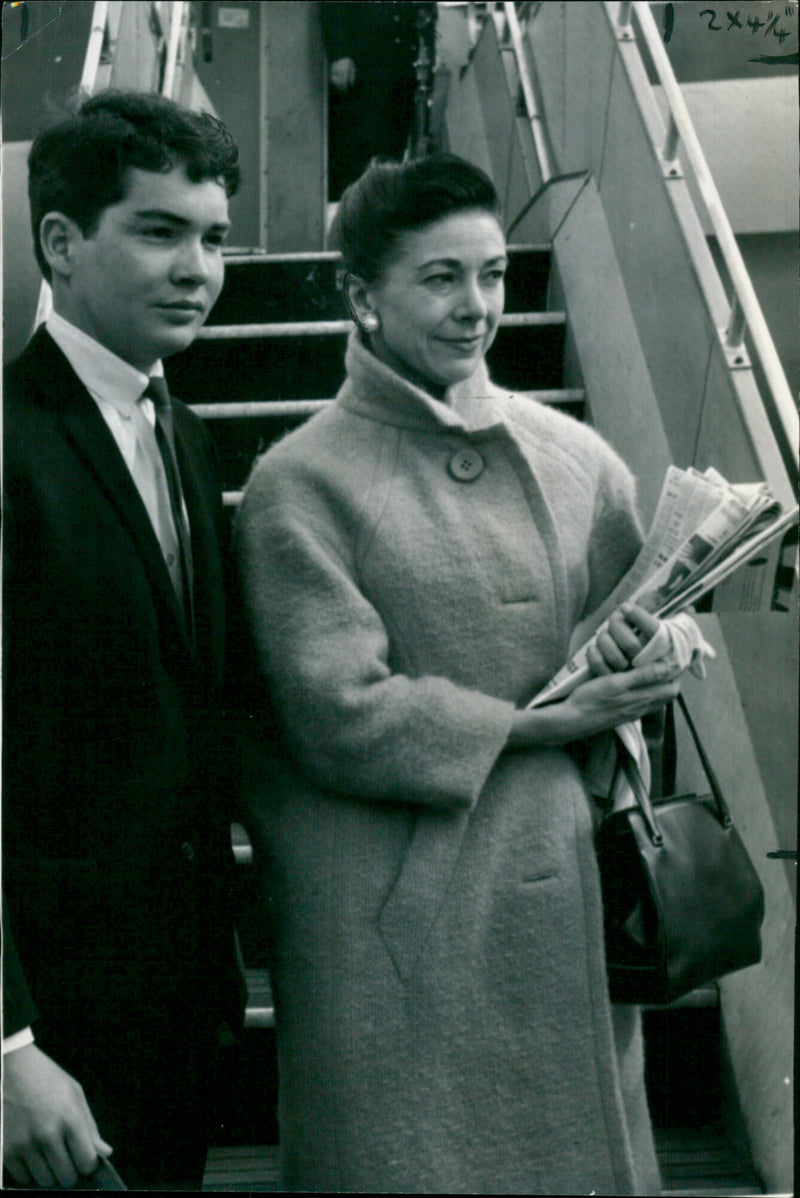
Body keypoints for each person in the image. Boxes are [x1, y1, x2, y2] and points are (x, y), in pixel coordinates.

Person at [235, 153, 703, 1194]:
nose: (477, 305)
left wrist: (655, 656)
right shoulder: (298, 482)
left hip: (558, 887)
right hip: (389, 915)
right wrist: (535, 722)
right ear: (361, 294)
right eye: (439, 277)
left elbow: (634, 614)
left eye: (491, 274)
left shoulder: (573, 456)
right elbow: (335, 713)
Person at [2, 91, 246, 1190]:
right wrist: (5, 1047)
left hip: (175, 1000)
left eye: (214, 239)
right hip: (47, 1035)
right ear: (61, 240)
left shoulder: (183, 433)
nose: (197, 268)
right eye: (160, 232)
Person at [321, 1, 426, 199]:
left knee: (390, 156)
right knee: (357, 157)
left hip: (399, 69)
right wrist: (339, 52)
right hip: (363, 69)